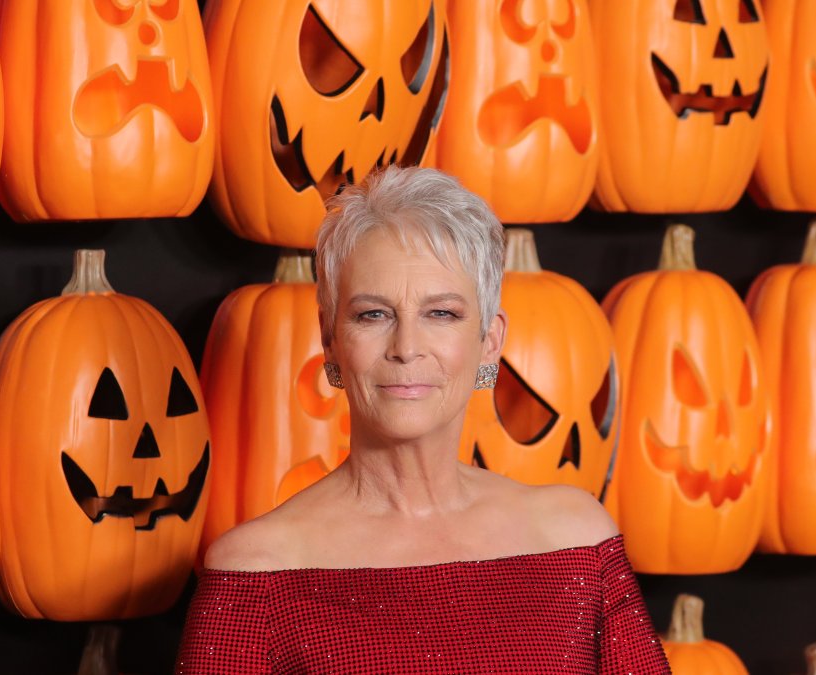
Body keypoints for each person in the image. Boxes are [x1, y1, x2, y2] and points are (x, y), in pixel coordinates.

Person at [176, 166, 670, 674]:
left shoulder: (577, 542)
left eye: (442, 314)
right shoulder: (256, 572)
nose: (407, 348)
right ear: (330, 339)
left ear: (490, 340)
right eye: (373, 314)